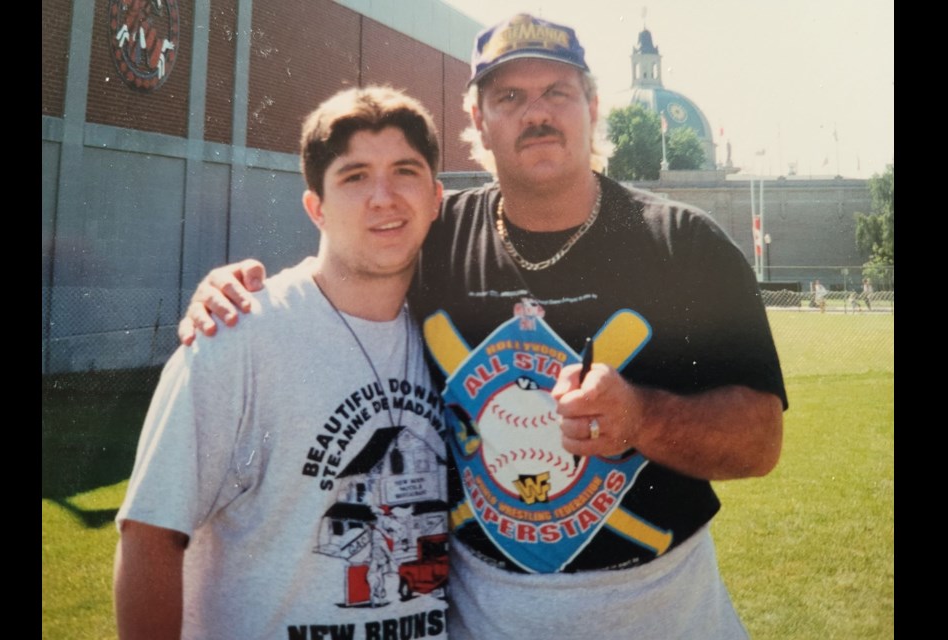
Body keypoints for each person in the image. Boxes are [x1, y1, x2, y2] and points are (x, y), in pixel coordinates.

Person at [179, 14, 787, 639]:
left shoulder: (683, 245)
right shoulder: (436, 242)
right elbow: (346, 269)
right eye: (510, 98)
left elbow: (761, 441)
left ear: (592, 107)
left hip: (667, 612)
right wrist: (243, 291)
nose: (538, 113)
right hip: (486, 618)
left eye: (558, 92)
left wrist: (642, 418)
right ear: (478, 122)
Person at [113, 86, 451, 640]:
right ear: (315, 206)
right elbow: (150, 533)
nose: (384, 197)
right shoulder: (238, 333)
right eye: (355, 176)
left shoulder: (454, 332)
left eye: (405, 171)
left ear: (436, 198)